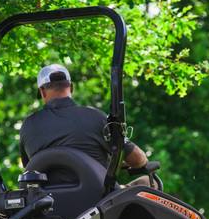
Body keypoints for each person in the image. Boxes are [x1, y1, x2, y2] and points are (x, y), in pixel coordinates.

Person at [19, 63, 151, 186]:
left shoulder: (28, 126)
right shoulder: (96, 117)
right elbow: (138, 160)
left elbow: (29, 168)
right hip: (98, 202)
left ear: (42, 91)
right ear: (71, 87)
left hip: (48, 205)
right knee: (148, 182)